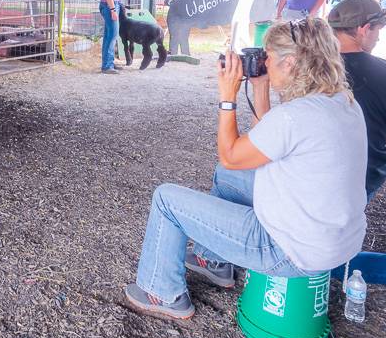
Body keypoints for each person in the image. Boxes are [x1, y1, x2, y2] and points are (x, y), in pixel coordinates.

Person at [123, 19, 367, 320]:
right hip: (332, 240)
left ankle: (161, 291)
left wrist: (227, 98)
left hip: (287, 249)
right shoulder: (343, 103)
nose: (264, 63)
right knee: (229, 178)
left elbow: (231, 154)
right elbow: (262, 146)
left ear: (290, 63)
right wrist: (261, 87)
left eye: (269, 58)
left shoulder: (293, 117)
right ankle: (213, 260)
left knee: (166, 200)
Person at [328, 0, 386, 200]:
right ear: (365, 28)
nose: (378, 37)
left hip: (311, 170)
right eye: (378, 30)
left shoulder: (307, 71)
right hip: (363, 176)